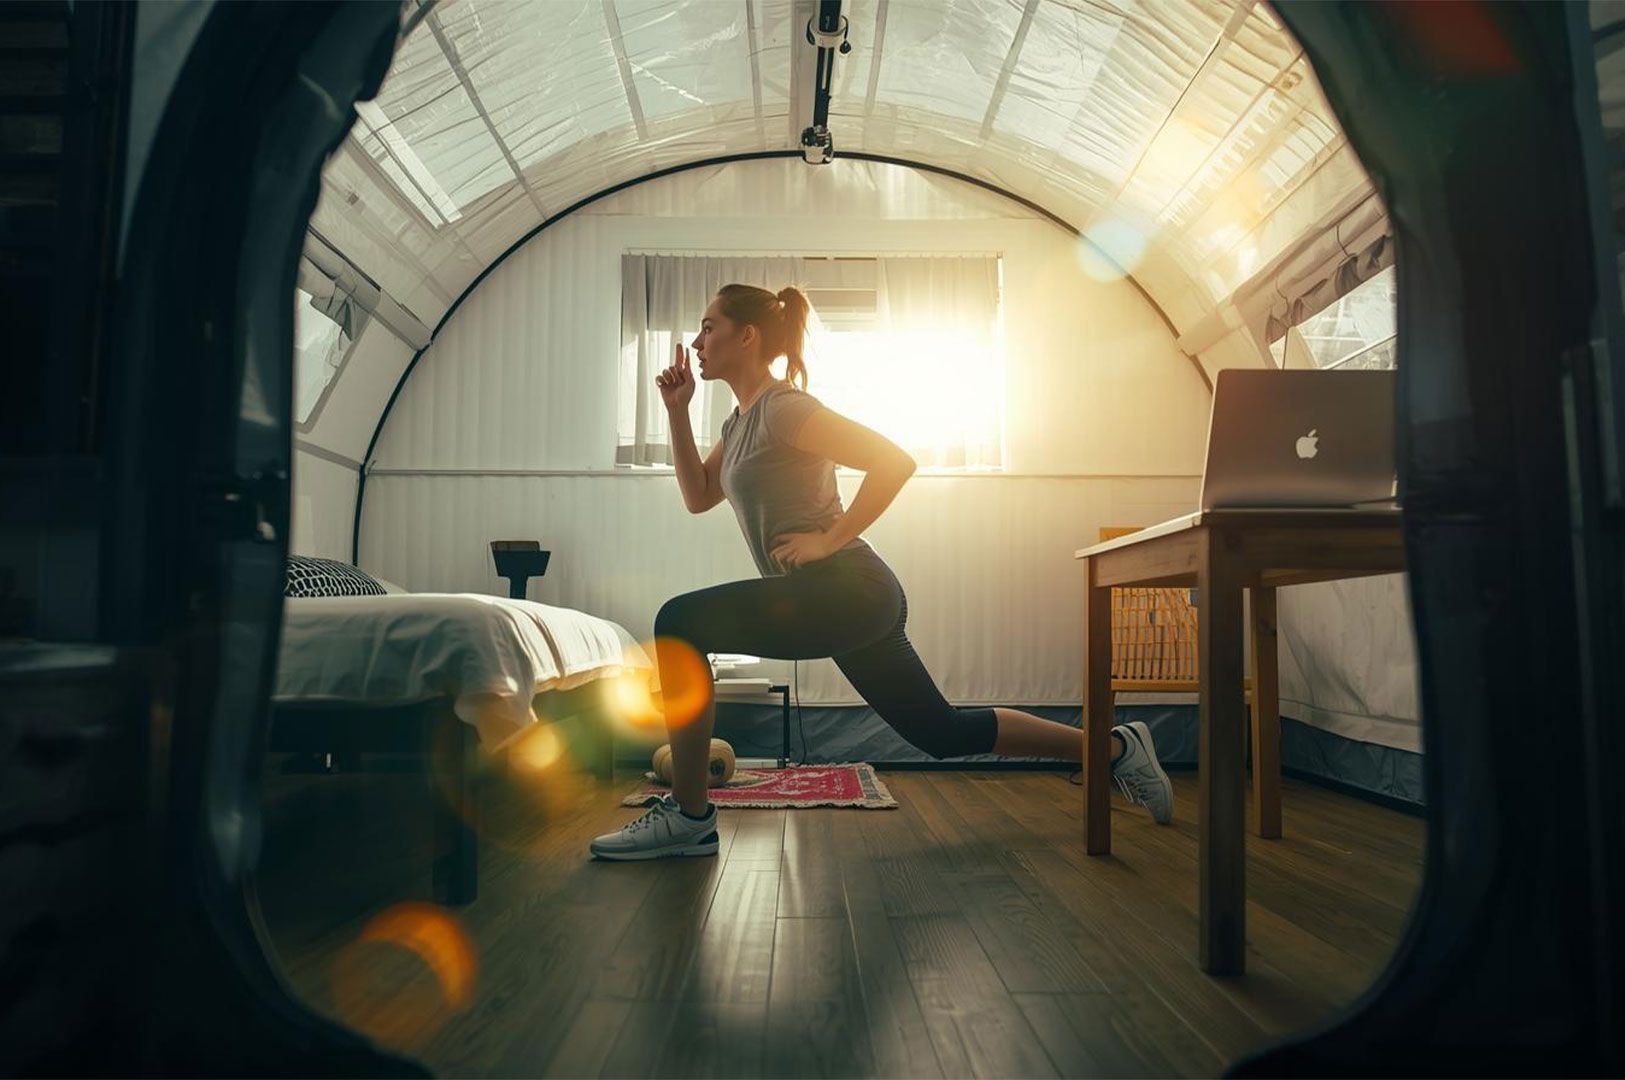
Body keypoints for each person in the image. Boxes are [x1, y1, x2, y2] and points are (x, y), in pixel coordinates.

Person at [589, 284, 1173, 860]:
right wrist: (675, 413)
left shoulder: (785, 408)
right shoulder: (738, 424)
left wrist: (827, 539)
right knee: (940, 733)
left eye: (708, 326)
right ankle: (1114, 748)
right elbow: (698, 496)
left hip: (848, 587)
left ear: (747, 336)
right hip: (842, 596)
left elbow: (894, 459)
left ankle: (690, 817)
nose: (696, 341)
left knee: (680, 622)